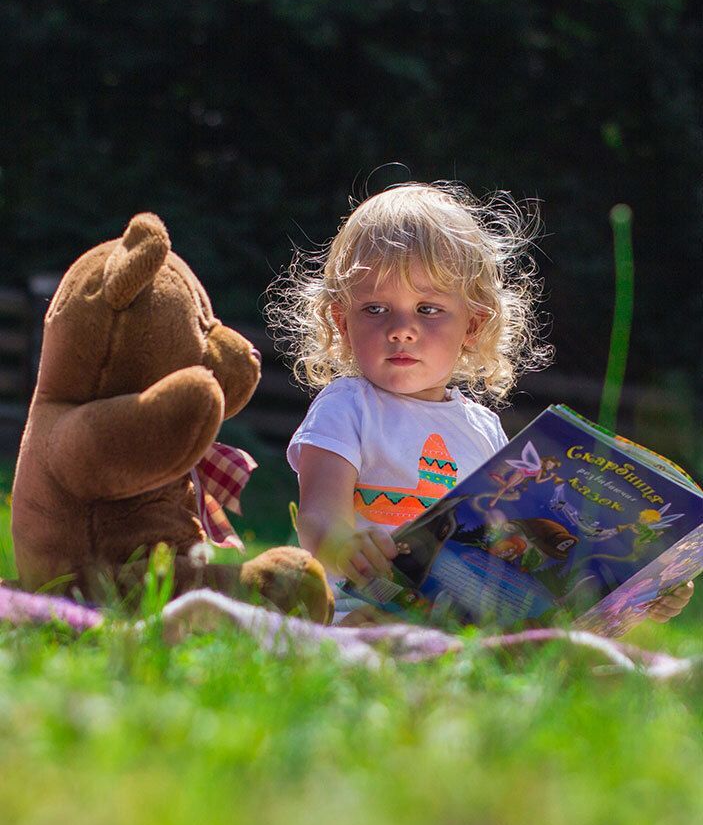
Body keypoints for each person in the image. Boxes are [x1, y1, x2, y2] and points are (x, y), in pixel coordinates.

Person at [267, 181, 693, 625]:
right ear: (342, 321)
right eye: (375, 308)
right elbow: (317, 516)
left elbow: (507, 541)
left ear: (473, 324)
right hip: (363, 608)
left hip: (466, 623)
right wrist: (343, 546)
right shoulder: (347, 406)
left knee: (591, 664)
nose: (401, 329)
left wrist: (641, 593)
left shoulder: (484, 428)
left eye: (428, 309)